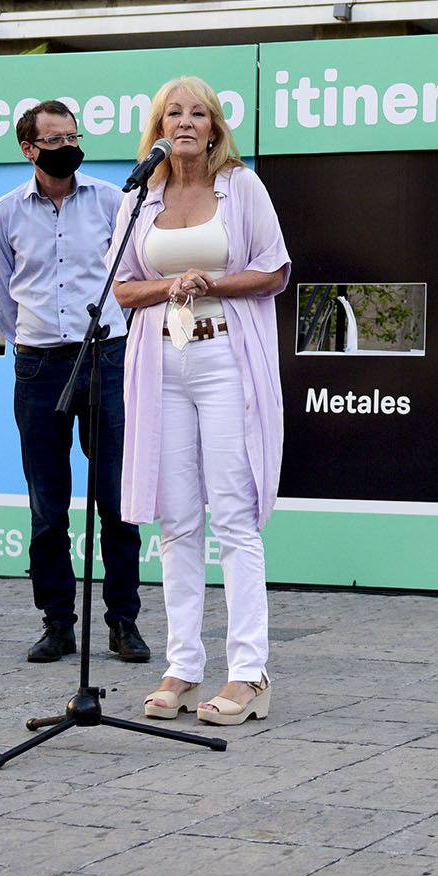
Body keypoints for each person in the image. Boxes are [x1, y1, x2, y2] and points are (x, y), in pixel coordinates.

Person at [112, 76, 290, 727]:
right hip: (161, 364)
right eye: (172, 113)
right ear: (158, 129)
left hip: (223, 360)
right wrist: (168, 288)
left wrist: (209, 280)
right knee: (177, 520)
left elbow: (273, 269)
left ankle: (249, 673)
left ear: (215, 127)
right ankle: (183, 665)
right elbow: (124, 289)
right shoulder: (142, 196)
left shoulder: (241, 187)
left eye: (198, 113)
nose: (184, 122)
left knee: (233, 518)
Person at [0, 98, 150, 665]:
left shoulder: (111, 200)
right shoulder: (4, 212)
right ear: (28, 149)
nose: (67, 149)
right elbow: (3, 296)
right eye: (53, 141)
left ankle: (123, 621)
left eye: (72, 137)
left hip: (106, 356)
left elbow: (131, 277)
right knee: (47, 505)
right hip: (38, 365)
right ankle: (56, 622)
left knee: (116, 498)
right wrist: (31, 342)